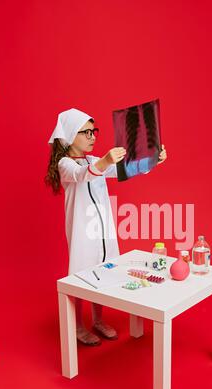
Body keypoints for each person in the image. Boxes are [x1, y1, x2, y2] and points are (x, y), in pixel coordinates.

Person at [45, 108, 167, 346]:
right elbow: (83, 174)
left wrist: (153, 160)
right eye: (86, 132)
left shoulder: (93, 160)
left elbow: (124, 169)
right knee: (81, 276)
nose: (92, 137)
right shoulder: (65, 164)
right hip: (83, 232)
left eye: (94, 131)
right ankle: (79, 327)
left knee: (103, 272)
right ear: (70, 135)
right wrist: (106, 160)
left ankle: (98, 320)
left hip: (103, 231)